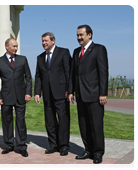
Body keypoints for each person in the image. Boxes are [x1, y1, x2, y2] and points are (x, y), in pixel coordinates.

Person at [68, 25, 109, 164]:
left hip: (95, 95)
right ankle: (88, 150)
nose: (79, 37)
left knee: (96, 125)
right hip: (80, 95)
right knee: (83, 124)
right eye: (77, 35)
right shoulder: (75, 52)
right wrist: (71, 91)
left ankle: (98, 153)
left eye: (81, 35)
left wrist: (103, 93)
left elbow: (103, 73)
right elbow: (73, 74)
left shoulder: (99, 49)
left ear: (89, 35)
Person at [0, 38, 32, 157]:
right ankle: (9, 145)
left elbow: (28, 77)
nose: (16, 48)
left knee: (21, 122)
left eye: (17, 46)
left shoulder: (22, 59)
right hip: (6, 97)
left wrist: (28, 92)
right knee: (7, 121)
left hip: (21, 97)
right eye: (14, 46)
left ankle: (21, 146)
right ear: (6, 46)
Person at [34, 32, 71, 156]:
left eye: (46, 41)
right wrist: (37, 92)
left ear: (53, 41)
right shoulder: (40, 58)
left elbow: (68, 72)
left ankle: (64, 146)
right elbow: (38, 76)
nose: (44, 43)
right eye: (43, 41)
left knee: (63, 120)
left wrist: (69, 90)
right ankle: (53, 145)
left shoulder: (63, 52)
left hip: (61, 93)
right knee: (49, 121)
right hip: (47, 95)